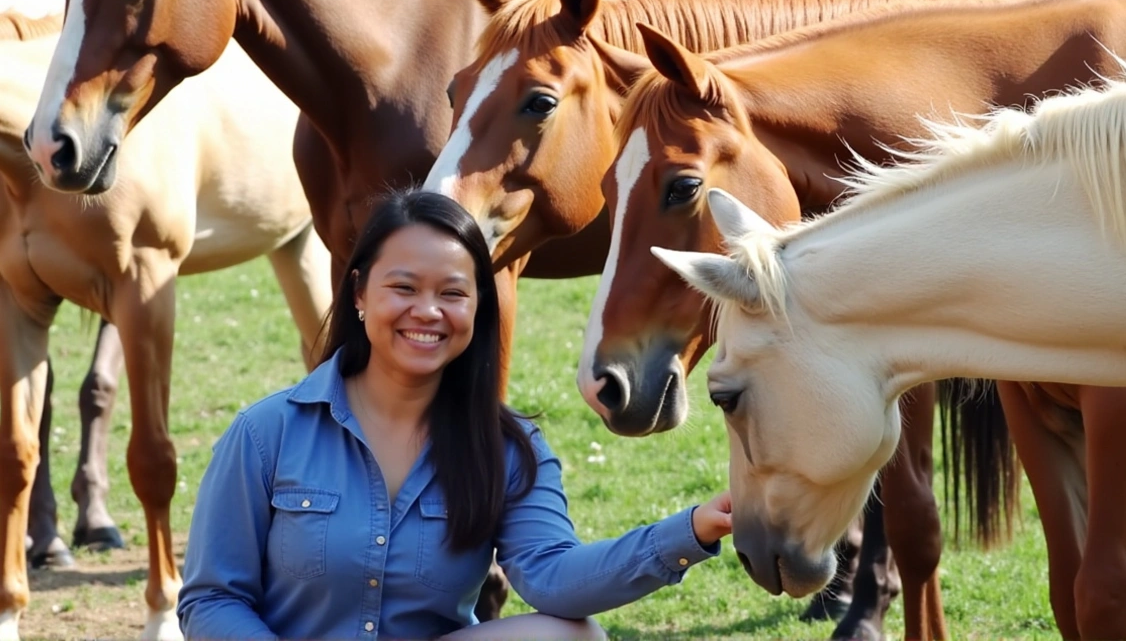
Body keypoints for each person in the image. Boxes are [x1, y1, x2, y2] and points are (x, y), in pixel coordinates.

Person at [176, 189, 733, 640]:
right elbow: (212, 599)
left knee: (574, 638)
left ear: (477, 309)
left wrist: (692, 530)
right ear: (359, 294)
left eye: (452, 293)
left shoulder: (507, 448)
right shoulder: (267, 434)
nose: (428, 311)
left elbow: (554, 579)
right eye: (403, 287)